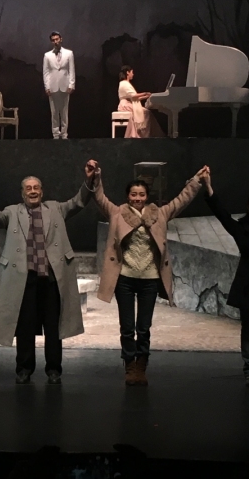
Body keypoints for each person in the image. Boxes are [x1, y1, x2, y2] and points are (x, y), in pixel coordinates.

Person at [0, 161, 97, 385]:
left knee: (53, 328)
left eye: (36, 188)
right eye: (28, 188)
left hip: (51, 279)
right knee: (24, 327)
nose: (33, 191)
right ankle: (24, 368)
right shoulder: (12, 212)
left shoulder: (55, 209)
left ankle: (54, 369)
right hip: (24, 279)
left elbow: (78, 202)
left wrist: (89, 181)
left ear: (42, 192)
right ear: (22, 193)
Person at [94, 164, 208, 385]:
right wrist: (96, 176)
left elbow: (182, 200)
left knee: (144, 328)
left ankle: (141, 367)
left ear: (147, 196)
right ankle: (129, 365)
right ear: (128, 196)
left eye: (141, 194)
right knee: (127, 328)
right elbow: (99, 198)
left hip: (150, 279)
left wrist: (197, 179)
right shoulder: (118, 213)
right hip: (125, 279)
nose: (137, 198)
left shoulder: (159, 214)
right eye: (133, 194)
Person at [202, 171, 249, 386]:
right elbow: (222, 215)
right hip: (248, 287)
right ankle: (248, 367)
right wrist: (208, 188)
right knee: (248, 329)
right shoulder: (242, 229)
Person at [43, 31, 75, 139]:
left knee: (64, 112)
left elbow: (71, 70)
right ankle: (55, 135)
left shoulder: (69, 53)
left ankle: (64, 134)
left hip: (65, 85)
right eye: (53, 40)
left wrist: (71, 84)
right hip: (53, 86)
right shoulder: (47, 55)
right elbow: (46, 72)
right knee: (54, 112)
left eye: (57, 39)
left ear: (61, 39)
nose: (55, 41)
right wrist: (47, 86)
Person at [118, 65, 164, 138]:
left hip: (129, 103)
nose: (133, 74)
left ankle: (148, 134)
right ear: (127, 72)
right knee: (146, 113)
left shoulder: (126, 83)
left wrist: (146, 96)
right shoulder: (124, 83)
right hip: (125, 105)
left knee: (147, 112)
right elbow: (133, 96)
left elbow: (134, 98)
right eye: (132, 72)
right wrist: (145, 93)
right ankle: (145, 135)